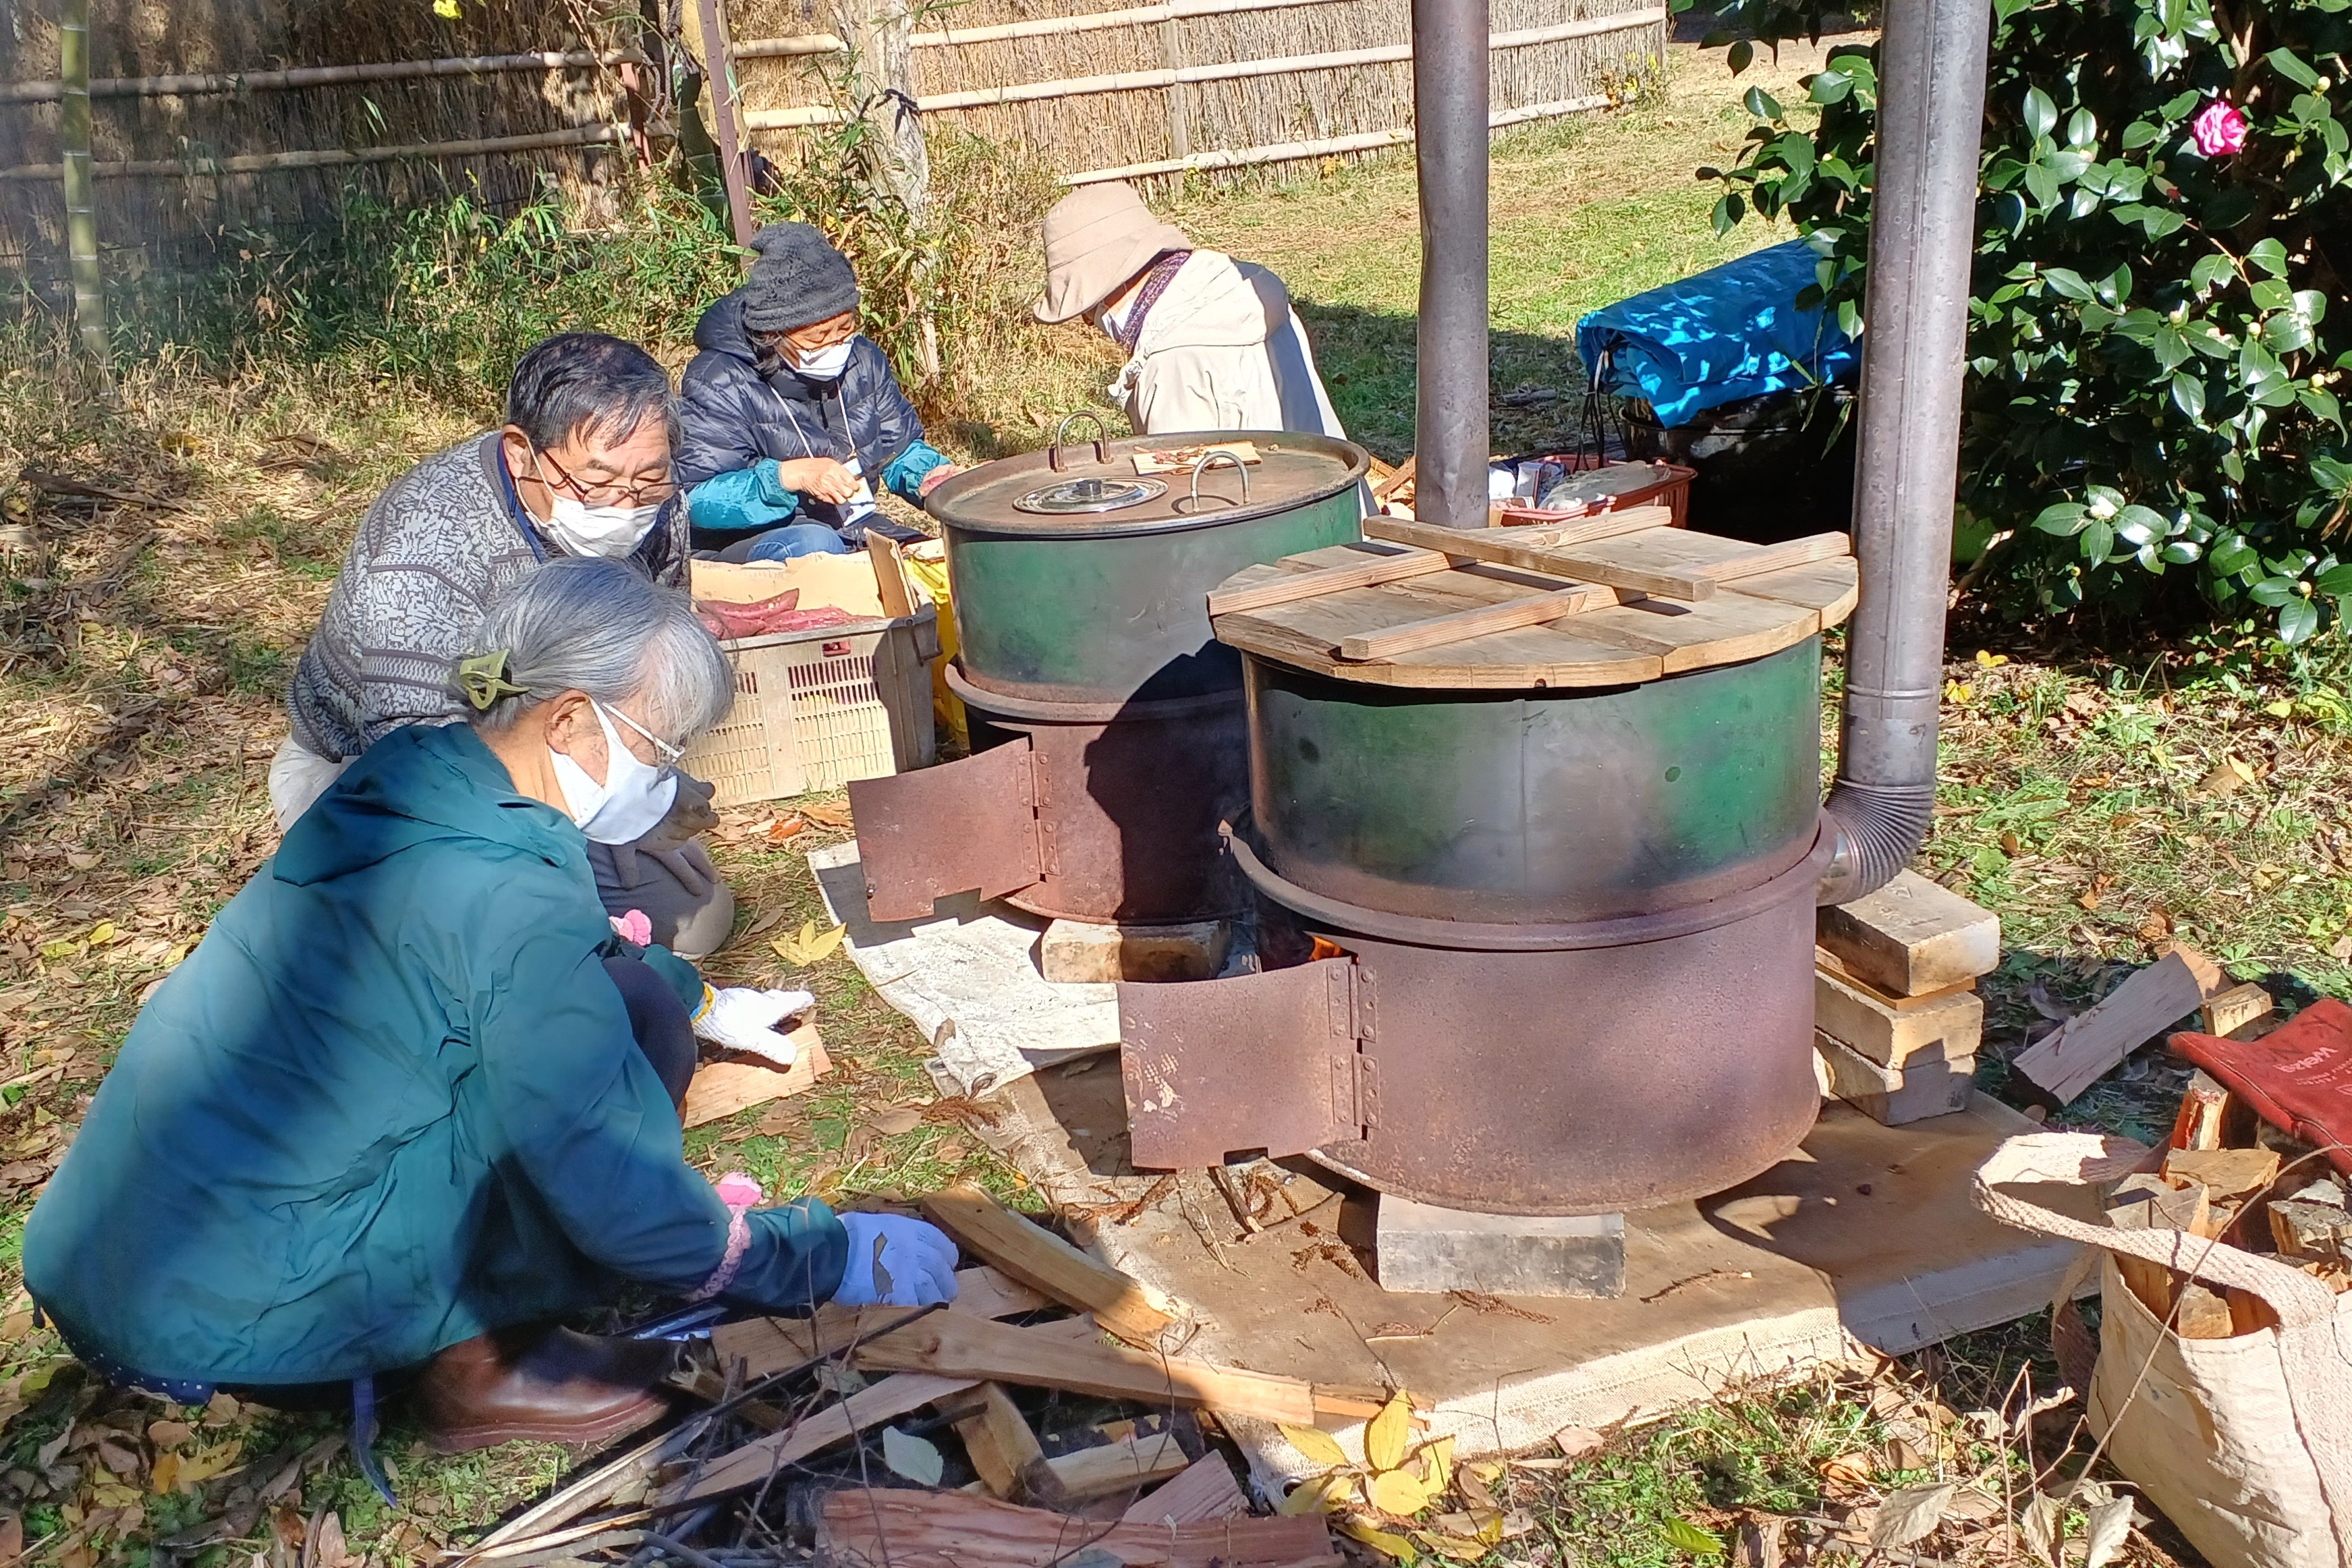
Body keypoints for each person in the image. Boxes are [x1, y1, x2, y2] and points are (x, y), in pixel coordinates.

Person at [22, 561, 959, 1456]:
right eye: (661, 748)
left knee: (632, 998)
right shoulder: (503, 894)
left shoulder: (416, 776)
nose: (671, 776)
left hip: (128, 1248)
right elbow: (603, 1173)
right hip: (241, 1297)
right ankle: (485, 1366)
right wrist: (814, 1255)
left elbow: (560, 963)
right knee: (569, 1098)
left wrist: (696, 995)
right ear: (565, 721)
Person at [276, 331, 736, 958]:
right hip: (383, 775)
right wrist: (567, 850)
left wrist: (645, 780)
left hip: (570, 748)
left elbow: (652, 660)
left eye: (649, 477)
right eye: (594, 482)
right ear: (523, 454)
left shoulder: (653, 499)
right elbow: (421, 763)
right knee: (507, 949)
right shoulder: (423, 549)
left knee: (695, 922)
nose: (623, 505)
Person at [677, 221, 959, 561]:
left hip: (854, 527)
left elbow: (897, 449)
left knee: (940, 561)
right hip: (752, 542)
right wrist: (787, 477)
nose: (837, 344)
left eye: (846, 327)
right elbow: (694, 498)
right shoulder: (719, 379)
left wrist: (931, 476)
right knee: (816, 546)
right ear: (774, 335)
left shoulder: (863, 359)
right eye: (818, 337)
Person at [1034, 182, 1349, 441]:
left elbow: (1183, 501)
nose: (1089, 322)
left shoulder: (1171, 364)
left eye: (1087, 306)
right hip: (1336, 506)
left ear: (1113, 284)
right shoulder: (1242, 287)